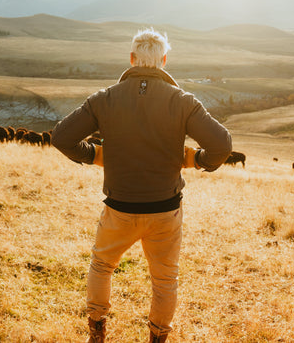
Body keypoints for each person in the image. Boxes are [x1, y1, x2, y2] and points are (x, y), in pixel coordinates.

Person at [51, 28, 232, 343]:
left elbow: (61, 137)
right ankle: (157, 337)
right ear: (163, 61)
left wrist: (93, 155)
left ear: (132, 59)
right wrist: (198, 160)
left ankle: (97, 330)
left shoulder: (104, 99)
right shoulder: (183, 101)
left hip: (119, 208)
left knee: (102, 265)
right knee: (164, 280)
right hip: (166, 210)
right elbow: (222, 144)